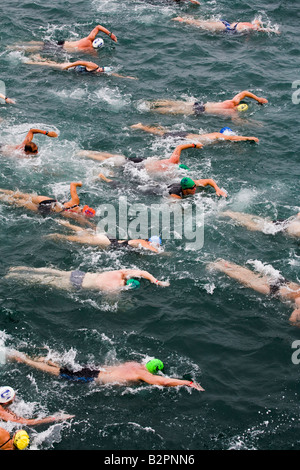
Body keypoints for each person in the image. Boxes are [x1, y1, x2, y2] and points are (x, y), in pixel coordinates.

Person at [5, 352, 204, 391]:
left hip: (94, 369)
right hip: (94, 377)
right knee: (57, 373)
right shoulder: (144, 376)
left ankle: (40, 357)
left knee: (63, 367)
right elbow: (164, 382)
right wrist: (187, 382)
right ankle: (24, 360)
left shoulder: (134, 364)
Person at [207, 259, 300, 325]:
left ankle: (226, 264)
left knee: (252, 275)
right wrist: (296, 324)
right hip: (274, 289)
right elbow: (292, 319)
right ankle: (220, 266)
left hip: (283, 282)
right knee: (246, 280)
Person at [4, 266, 170, 292]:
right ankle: (13, 276)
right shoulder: (114, 289)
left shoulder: (120, 273)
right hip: (78, 284)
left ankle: (19, 269)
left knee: (51, 271)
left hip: (79, 274)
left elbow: (141, 271)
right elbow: (111, 304)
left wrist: (155, 281)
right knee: (43, 281)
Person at [0, 182, 96, 225]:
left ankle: (2, 190)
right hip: (48, 210)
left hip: (49, 201)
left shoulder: (75, 201)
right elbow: (89, 227)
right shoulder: (78, 217)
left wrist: (79, 183)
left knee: (21, 195)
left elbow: (72, 184)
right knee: (16, 202)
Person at [78, 142, 203, 174]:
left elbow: (180, 147)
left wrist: (194, 145)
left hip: (142, 161)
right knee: (115, 162)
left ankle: (87, 152)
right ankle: (89, 155)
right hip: (138, 167)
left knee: (119, 158)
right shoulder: (170, 172)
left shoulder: (173, 160)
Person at [46, 219, 163, 253]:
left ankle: (66, 224)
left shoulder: (140, 243)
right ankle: (56, 235)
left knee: (84, 232)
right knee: (77, 239)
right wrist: (164, 253)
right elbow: (154, 250)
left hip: (110, 238)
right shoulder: (142, 242)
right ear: (150, 242)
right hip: (108, 242)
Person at [145, 90, 268, 118]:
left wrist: (258, 99)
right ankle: (151, 111)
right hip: (201, 111)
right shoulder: (233, 113)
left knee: (173, 103)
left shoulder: (232, 102)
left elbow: (244, 93)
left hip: (200, 103)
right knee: (173, 110)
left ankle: (150, 104)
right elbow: (240, 123)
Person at [7, 24, 117, 54]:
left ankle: (18, 44)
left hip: (62, 43)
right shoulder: (91, 51)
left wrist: (110, 34)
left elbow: (98, 27)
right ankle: (16, 49)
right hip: (61, 51)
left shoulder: (89, 39)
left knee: (41, 43)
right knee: (38, 49)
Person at [0, 386, 74, 426]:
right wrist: (55, 418)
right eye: (13, 397)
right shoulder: (3, 413)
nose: (15, 396)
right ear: (5, 403)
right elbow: (28, 422)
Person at [24, 55, 137, 80]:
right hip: (69, 68)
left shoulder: (98, 73)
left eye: (101, 71)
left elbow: (115, 74)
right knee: (49, 64)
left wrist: (128, 77)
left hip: (71, 71)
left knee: (51, 63)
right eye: (101, 68)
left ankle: (36, 58)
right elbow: (80, 61)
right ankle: (29, 62)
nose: (99, 70)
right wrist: (67, 66)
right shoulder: (94, 66)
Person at [131, 123, 259, 144]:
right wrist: (248, 138)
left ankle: (143, 127)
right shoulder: (218, 135)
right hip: (185, 138)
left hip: (186, 135)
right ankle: (141, 127)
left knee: (162, 132)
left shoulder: (216, 136)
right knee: (161, 134)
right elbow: (234, 139)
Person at [221, 210, 300, 238]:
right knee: (254, 226)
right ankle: (230, 214)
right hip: (281, 228)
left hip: (285, 223)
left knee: (261, 222)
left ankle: (232, 213)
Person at [172, 16, 279, 34]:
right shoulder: (251, 27)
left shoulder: (251, 25)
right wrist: (273, 31)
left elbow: (256, 21)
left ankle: (184, 18)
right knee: (200, 25)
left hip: (226, 24)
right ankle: (181, 19)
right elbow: (259, 28)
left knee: (202, 23)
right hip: (226, 28)